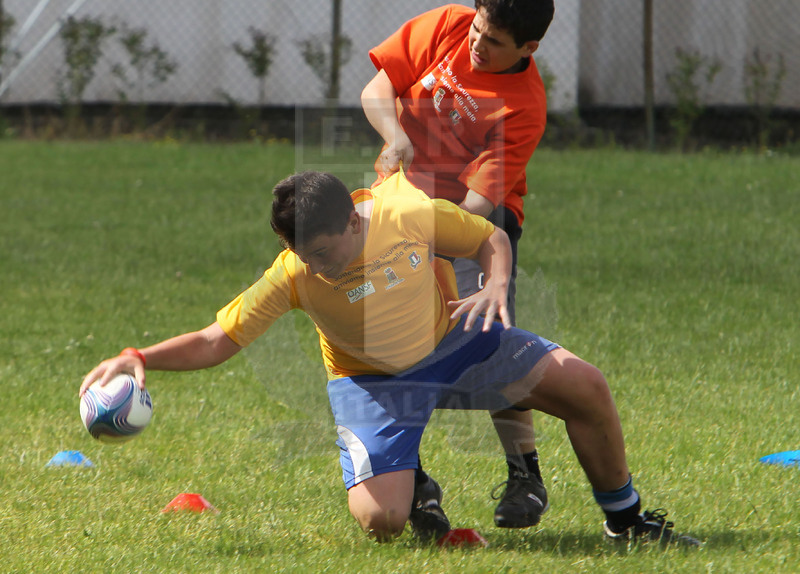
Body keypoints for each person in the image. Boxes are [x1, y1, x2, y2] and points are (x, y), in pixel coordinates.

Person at [80, 170, 696, 545]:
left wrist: (497, 286)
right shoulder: (293, 270)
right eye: (303, 255)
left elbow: (490, 238)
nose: (316, 266)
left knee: (586, 386)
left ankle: (627, 520)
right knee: (384, 521)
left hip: (454, 341)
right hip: (370, 380)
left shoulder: (406, 215)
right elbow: (218, 339)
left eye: (324, 251)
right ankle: (412, 477)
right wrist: (139, 355)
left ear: (354, 219)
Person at [361, 0, 554, 530]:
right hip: (399, 209)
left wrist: (426, 239)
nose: (476, 44)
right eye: (477, 30)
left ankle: (524, 475)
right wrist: (393, 135)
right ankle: (417, 484)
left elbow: (474, 209)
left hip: (475, 223)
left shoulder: (524, 107)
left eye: (493, 42)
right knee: (391, 348)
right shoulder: (448, 23)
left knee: (490, 344)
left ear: (527, 49)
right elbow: (376, 89)